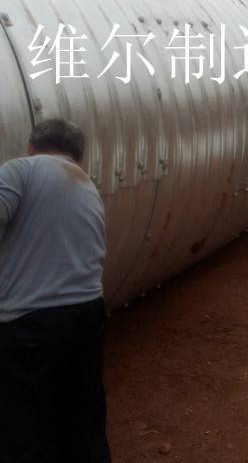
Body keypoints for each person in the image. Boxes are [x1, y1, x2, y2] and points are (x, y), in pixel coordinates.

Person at [0, 118, 111, 463]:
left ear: (31, 146)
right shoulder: (86, 184)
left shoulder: (21, 169)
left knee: (25, 423)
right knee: (83, 416)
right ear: (78, 155)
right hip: (88, 313)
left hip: (32, 321)